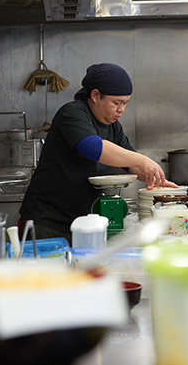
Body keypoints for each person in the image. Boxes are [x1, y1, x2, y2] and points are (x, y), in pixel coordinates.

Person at [19, 63, 178, 242]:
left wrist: (156, 179)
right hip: (47, 221)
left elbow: (130, 163)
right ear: (95, 95)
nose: (121, 110)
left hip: (84, 223)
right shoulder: (72, 113)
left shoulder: (113, 126)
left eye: (125, 103)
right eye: (116, 103)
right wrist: (144, 160)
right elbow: (93, 147)